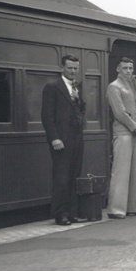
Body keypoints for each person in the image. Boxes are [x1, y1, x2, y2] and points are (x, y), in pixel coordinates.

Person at [41, 55, 87, 225]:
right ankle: (61, 214)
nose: (73, 71)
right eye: (70, 68)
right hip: (61, 139)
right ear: (62, 67)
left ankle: (73, 213)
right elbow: (47, 115)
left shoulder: (77, 87)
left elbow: (81, 107)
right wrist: (54, 138)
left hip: (77, 137)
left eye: (76, 68)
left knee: (75, 175)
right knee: (61, 178)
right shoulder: (52, 87)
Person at [105, 57, 136, 219]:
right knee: (121, 172)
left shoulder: (134, 86)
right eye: (125, 68)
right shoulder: (114, 87)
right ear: (118, 69)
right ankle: (116, 209)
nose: (128, 71)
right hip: (123, 133)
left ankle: (133, 207)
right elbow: (119, 113)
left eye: (130, 68)